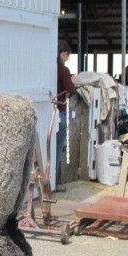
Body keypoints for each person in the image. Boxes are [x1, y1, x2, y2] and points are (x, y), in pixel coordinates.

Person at [55, 41, 77, 190]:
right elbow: (70, 91)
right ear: (63, 54)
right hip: (61, 110)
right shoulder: (63, 70)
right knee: (57, 147)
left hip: (49, 110)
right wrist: (72, 82)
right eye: (66, 56)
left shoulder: (48, 68)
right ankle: (53, 181)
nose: (66, 59)